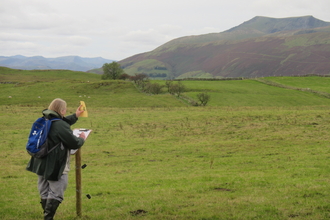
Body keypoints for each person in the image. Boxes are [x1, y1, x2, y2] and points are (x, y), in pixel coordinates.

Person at [26, 98, 86, 220]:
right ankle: (48, 218)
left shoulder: (46, 119)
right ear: (62, 110)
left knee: (44, 191)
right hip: (55, 164)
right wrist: (82, 138)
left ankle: (47, 215)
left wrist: (75, 115)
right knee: (56, 193)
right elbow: (74, 143)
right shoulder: (59, 124)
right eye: (65, 109)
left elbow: (61, 123)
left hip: (40, 162)